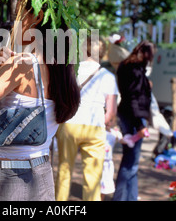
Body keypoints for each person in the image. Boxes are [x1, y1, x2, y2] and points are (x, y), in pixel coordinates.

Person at [0, 0, 81, 201]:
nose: (14, 27)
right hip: (42, 176)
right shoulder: (64, 71)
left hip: (3, 178)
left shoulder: (21, 65)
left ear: (37, 17)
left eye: (18, 17)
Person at [55, 36, 118, 201]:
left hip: (69, 124)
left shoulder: (70, 71)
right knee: (93, 178)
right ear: (102, 54)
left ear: (83, 49)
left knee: (64, 171)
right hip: (95, 127)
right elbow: (110, 112)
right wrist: (102, 123)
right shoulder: (108, 76)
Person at [113, 40, 154, 201]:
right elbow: (134, 98)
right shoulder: (136, 70)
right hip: (134, 117)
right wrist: (139, 125)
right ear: (145, 54)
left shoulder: (126, 66)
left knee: (131, 161)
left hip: (127, 114)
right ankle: (121, 198)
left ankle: (130, 196)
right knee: (131, 162)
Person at [101, 125, 123, 201]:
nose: (108, 123)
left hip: (107, 163)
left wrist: (134, 138)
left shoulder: (114, 133)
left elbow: (122, 140)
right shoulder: (99, 130)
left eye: (111, 120)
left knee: (103, 187)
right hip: (98, 161)